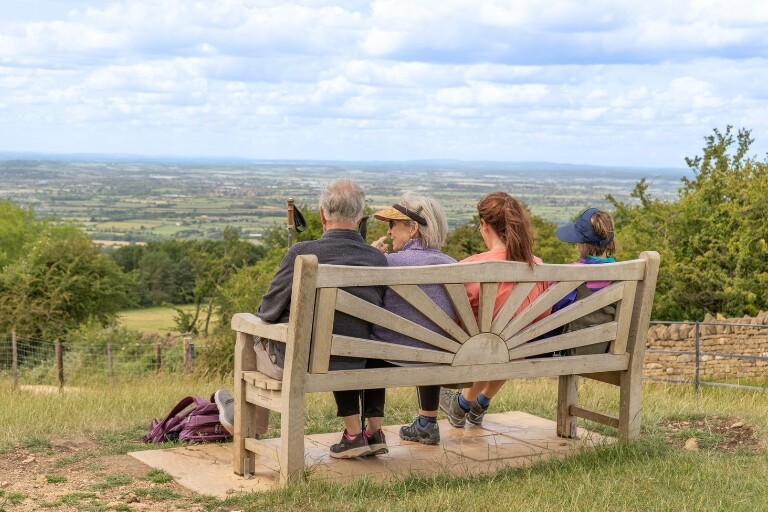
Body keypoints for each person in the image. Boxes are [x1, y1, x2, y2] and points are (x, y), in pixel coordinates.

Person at [216, 178, 388, 459]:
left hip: (302, 363)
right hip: (358, 360)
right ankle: (238, 416)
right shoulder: (378, 259)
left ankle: (241, 419)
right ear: (359, 217)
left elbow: (267, 311)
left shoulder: (301, 253)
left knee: (253, 345)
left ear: (322, 214)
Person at [439, 192, 551, 428]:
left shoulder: (470, 267)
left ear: (483, 224)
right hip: (518, 348)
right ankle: (478, 403)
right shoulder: (538, 265)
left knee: (491, 342)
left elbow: (452, 316)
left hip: (477, 349)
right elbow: (543, 314)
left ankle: (462, 403)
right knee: (508, 342)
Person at [369, 193, 457, 445]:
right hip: (438, 357)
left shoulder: (386, 264)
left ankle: (371, 431)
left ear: (413, 228)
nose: (390, 231)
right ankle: (427, 422)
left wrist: (372, 259)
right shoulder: (451, 264)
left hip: (388, 358)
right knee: (428, 337)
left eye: (393, 224)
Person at [553, 207, 618, 355]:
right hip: (606, 348)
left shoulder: (572, 275)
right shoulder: (622, 274)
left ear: (580, 244)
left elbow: (553, 309)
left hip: (571, 349)